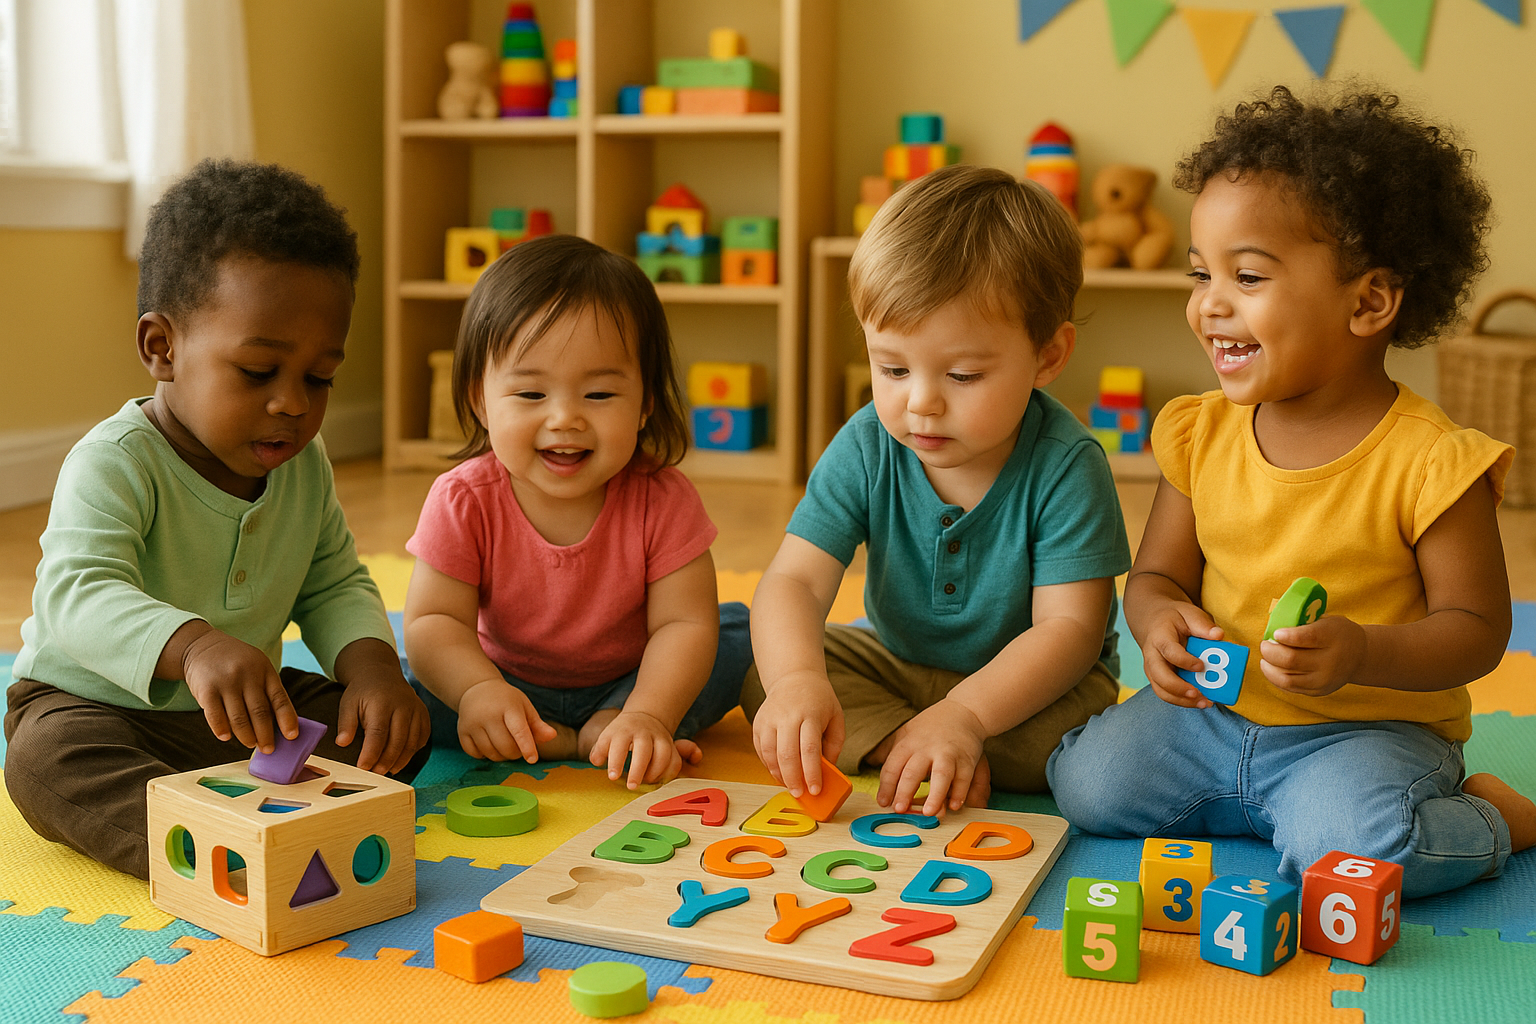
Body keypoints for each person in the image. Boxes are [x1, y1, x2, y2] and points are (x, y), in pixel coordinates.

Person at [1048, 85, 1536, 898]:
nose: (1210, 305)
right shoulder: (1201, 434)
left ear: (1370, 300)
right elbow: (1156, 577)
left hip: (1370, 733)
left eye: (1247, 276)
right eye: (1202, 275)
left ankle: (1494, 819)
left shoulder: (1432, 463)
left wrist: (1363, 651)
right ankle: (1272, 807)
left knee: (1358, 859)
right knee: (1087, 784)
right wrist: (1159, 621)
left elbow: (1479, 631)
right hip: (1213, 719)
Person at [4, 159, 431, 879]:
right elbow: (77, 596)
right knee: (45, 765)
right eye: (259, 372)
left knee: (392, 724)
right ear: (161, 348)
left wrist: (374, 671)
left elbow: (331, 583)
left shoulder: (302, 463)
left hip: (238, 713)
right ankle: (206, 849)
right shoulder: (115, 461)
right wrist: (194, 648)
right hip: (94, 707)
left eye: (319, 377)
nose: (294, 403)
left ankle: (233, 812)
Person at [745, 164, 1132, 818]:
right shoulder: (868, 443)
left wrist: (969, 716)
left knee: (1086, 748)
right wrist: (798, 682)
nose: (920, 402)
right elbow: (797, 583)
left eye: (961, 374)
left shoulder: (1067, 464)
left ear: (1047, 357)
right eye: (892, 367)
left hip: (1029, 691)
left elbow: (1069, 631)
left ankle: (939, 745)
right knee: (766, 676)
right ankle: (918, 748)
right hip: (896, 662)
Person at [401, 234, 750, 790]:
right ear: (479, 401)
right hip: (503, 683)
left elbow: (681, 625)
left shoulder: (663, 498)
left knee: (739, 634)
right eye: (531, 395)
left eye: (600, 396)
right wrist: (477, 692)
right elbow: (432, 621)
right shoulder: (463, 499)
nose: (564, 419)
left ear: (645, 405)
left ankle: (623, 731)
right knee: (404, 691)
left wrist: (649, 711)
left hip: (630, 682)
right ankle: (565, 736)